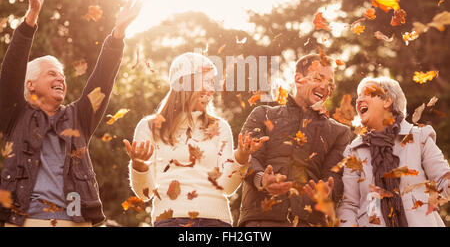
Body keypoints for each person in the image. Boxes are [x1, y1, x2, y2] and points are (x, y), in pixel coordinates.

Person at [0, 0, 141, 227]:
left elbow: (102, 80)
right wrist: (32, 16)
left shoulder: (79, 117)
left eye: (63, 75)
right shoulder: (14, 116)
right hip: (26, 221)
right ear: (30, 84)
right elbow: (9, 73)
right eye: (52, 73)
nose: (61, 79)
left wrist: (117, 33)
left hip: (74, 222)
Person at [124, 52, 268, 227]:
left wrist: (242, 158)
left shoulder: (220, 127)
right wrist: (139, 166)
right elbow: (145, 194)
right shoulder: (149, 127)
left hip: (217, 222)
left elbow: (227, 187)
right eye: (208, 82)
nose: (213, 89)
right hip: (170, 221)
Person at [238, 54, 353, 227]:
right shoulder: (263, 114)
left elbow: (335, 176)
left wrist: (327, 193)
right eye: (318, 78)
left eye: (330, 83)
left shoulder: (339, 132)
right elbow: (246, 159)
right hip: (261, 221)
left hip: (309, 222)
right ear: (298, 79)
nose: (325, 86)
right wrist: (262, 179)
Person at [337, 76, 450, 227]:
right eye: (358, 97)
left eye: (367, 94)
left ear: (387, 101)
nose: (358, 101)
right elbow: (349, 205)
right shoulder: (354, 151)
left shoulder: (418, 137)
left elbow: (443, 181)